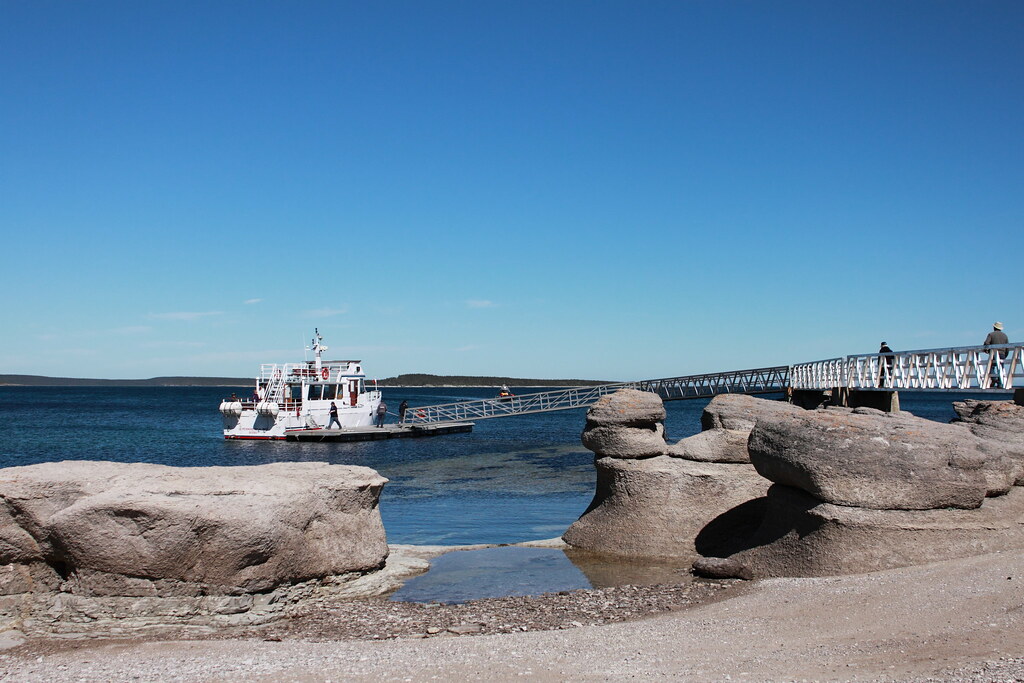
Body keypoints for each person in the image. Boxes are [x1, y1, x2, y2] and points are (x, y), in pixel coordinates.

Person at [984, 322, 1009, 388]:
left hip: (994, 353)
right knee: (1001, 369)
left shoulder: (991, 334)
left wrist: (986, 350)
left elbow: (986, 343)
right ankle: (1000, 384)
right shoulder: (1005, 335)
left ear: (994, 327)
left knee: (991, 367)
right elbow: (1007, 347)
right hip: (1002, 354)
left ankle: (994, 379)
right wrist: (1005, 355)